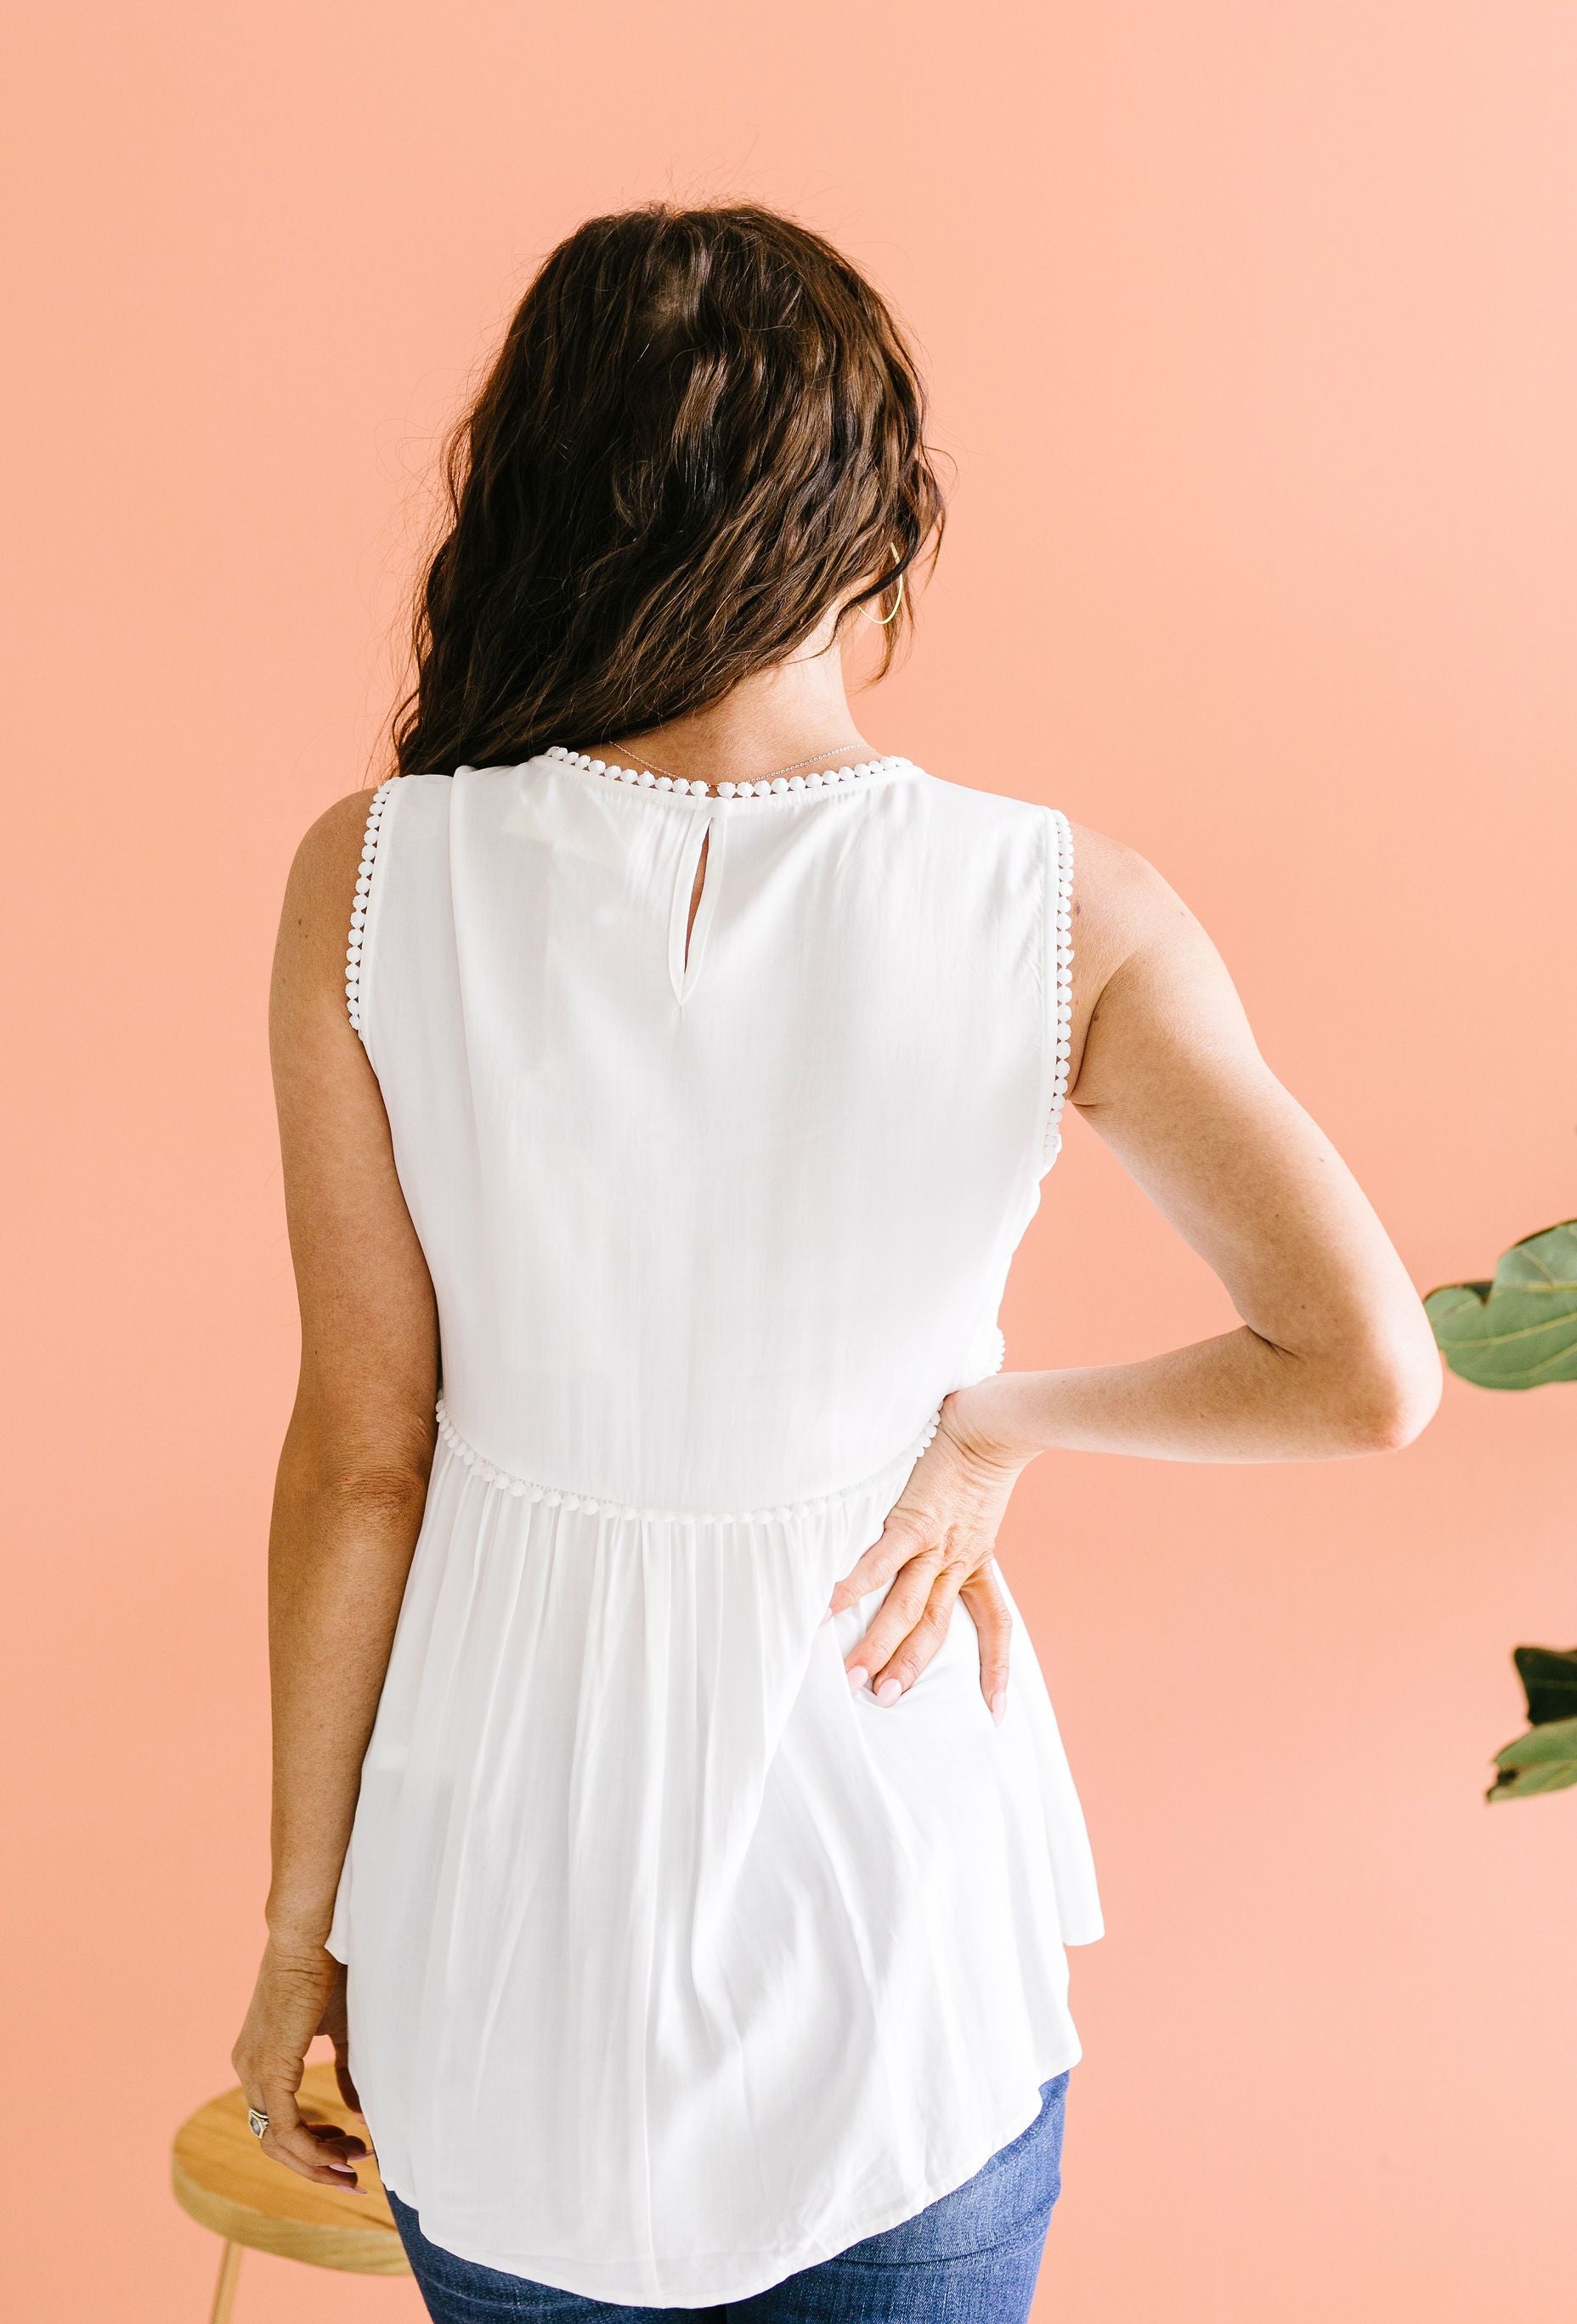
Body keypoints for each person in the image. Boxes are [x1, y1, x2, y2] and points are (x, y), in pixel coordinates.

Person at [229, 203, 1440, 2322]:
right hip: (891, 1942)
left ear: (530, 494)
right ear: (877, 518)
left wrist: (293, 1932)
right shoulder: (1056, 902)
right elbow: (1365, 1367)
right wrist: (992, 1427)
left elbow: (361, 1454)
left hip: (494, 1943)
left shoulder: (375, 880)